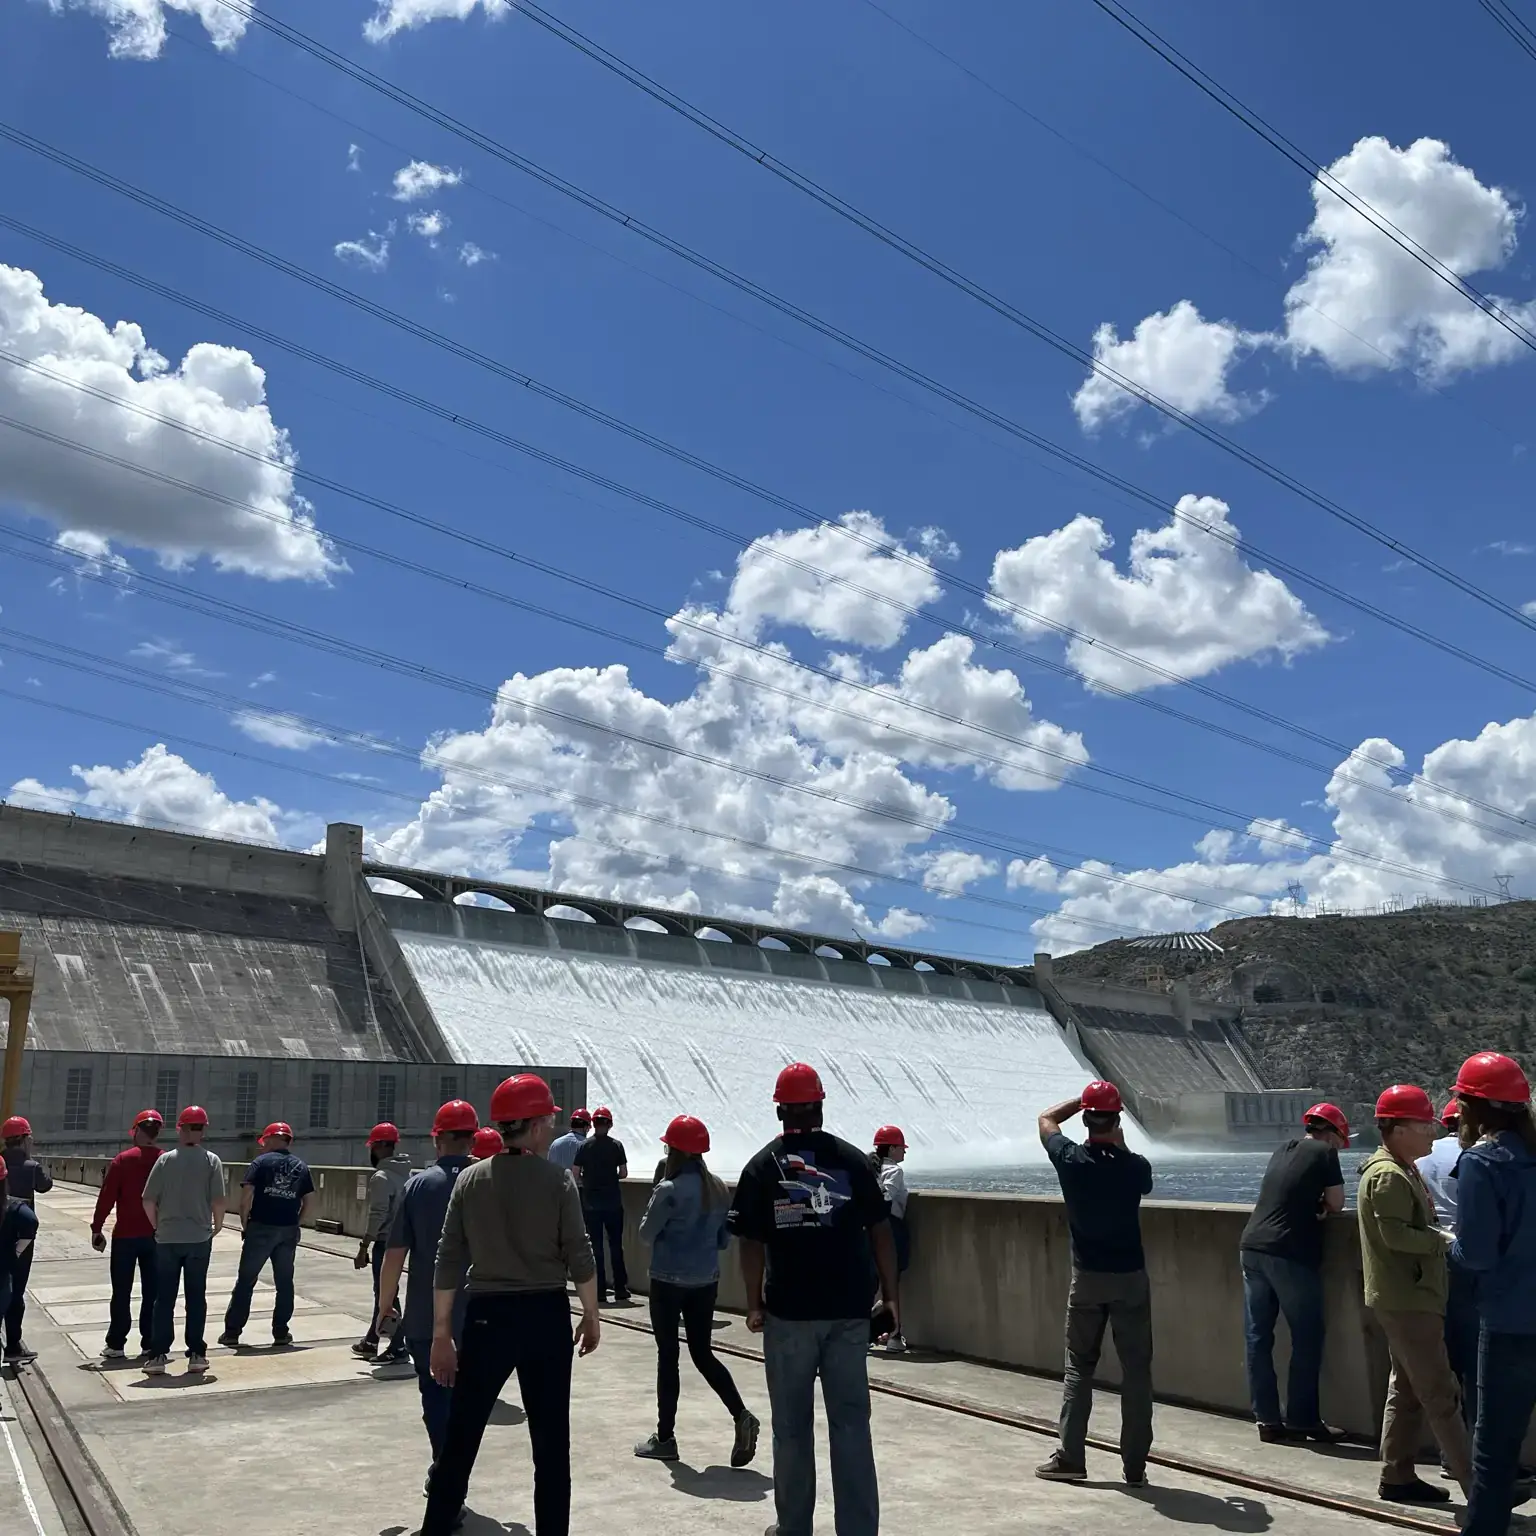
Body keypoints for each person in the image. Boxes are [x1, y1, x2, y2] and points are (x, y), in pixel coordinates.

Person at [421, 1074, 599, 1536]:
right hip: (546, 1316)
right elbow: (579, 1253)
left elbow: (448, 1258)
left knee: (461, 1438)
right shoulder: (558, 1181)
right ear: (538, 1125)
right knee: (550, 1444)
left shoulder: (471, 1181)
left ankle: (437, 1526)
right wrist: (592, 1315)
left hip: (486, 1316)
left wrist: (443, 1333)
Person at [728, 1062, 895, 1536]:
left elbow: (751, 1241)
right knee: (851, 1428)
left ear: (780, 1110)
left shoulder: (761, 1167)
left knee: (792, 1430)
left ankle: (794, 1527)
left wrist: (753, 1304)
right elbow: (880, 1229)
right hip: (848, 1315)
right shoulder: (852, 1160)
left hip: (788, 1316)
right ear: (821, 1105)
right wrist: (891, 1296)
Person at [1035, 1080, 1154, 1486]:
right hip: (1131, 1279)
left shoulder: (1070, 1159)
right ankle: (1135, 1466)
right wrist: (1118, 1144)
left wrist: (1078, 1100)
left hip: (1087, 1278)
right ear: (1117, 1120)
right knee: (1136, 1372)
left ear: (1086, 1119)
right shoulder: (1135, 1167)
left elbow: (1046, 1119)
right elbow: (1142, 1180)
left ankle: (1071, 1457)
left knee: (1078, 1369)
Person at [1358, 1084, 1470, 1504]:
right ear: (1398, 1128)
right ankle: (1478, 1489)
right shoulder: (1388, 1175)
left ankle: (1397, 1476)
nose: (1431, 1132)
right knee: (1441, 1394)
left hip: (1404, 1295)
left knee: (1405, 1390)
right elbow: (1396, 1235)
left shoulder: (1400, 1167)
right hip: (1408, 1299)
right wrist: (1443, 1240)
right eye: (1424, 1125)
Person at [634, 1114, 758, 1468]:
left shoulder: (668, 1189)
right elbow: (722, 1240)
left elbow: (645, 1234)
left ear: (674, 1151)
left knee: (668, 1356)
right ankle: (741, 1414)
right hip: (705, 1282)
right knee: (702, 1354)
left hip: (667, 1281)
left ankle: (666, 1438)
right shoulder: (718, 1188)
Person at [1450, 1051, 1536, 1536]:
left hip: (1509, 1325)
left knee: (1496, 1449)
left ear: (1473, 1108)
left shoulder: (1483, 1162)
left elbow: (1477, 1254)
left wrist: (1451, 1249)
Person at [376, 1099, 478, 1504]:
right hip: (481, 1315)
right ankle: (453, 1474)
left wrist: (385, 1305)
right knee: (468, 1402)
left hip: (424, 1314)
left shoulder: (417, 1185)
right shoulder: (486, 1181)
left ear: (438, 1140)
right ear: (472, 1138)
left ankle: (445, 1471)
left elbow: (394, 1254)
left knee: (436, 1397)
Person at [1238, 1102, 1349, 1443]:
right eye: (1339, 1141)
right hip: (1288, 1252)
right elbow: (1337, 1202)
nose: (1337, 1148)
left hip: (1252, 1246)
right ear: (1331, 1133)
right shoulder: (1324, 1153)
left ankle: (1267, 1419)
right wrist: (1319, 1206)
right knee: (1307, 1335)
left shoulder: (1281, 1150)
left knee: (1258, 1337)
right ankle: (1302, 1419)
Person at [141, 1105, 226, 1377]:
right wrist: (217, 1225)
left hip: (167, 1238)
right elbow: (218, 1200)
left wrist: (157, 1226)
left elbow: (148, 1199)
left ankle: (157, 1355)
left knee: (164, 1298)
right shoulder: (212, 1160)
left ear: (180, 1128)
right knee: (195, 1297)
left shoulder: (165, 1160)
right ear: (203, 1130)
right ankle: (197, 1354)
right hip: (198, 1239)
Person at [1420, 1098, 1480, 1473]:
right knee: (1477, 1363)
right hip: (1469, 1262)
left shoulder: (1423, 1156)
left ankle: (1450, 1454)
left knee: (1447, 1362)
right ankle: (1473, 1457)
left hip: (1431, 1262)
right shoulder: (1473, 1153)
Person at [218, 1122, 315, 1348]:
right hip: (288, 1230)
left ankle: (232, 1332)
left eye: (264, 1142)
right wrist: (296, 1223)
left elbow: (246, 1197)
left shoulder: (260, 1163)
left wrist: (245, 1224)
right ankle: (281, 1332)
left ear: (271, 1139)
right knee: (284, 1282)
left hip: (261, 1227)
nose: (262, 1146)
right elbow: (310, 1202)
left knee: (246, 1281)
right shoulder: (301, 1166)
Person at [90, 1108, 165, 1361]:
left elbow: (107, 1197)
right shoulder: (166, 1160)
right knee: (152, 1292)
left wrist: (96, 1228)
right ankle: (150, 1342)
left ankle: (116, 1344)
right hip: (156, 1237)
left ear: (135, 1131)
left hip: (124, 1237)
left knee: (121, 1291)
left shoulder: (122, 1160)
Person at [353, 1121, 412, 1363]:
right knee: (386, 1291)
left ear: (376, 1148)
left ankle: (398, 1346)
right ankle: (371, 1341)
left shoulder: (381, 1177)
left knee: (386, 1294)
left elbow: (377, 1213)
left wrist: (364, 1246)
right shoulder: (406, 1174)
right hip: (401, 1240)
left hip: (384, 1242)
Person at [2, 1113, 52, 1364]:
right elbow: (45, 1186)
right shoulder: (31, 1167)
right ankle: (13, 1345)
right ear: (24, 1139)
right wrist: (31, 1159)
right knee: (16, 1289)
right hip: (23, 1235)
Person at [573, 1107, 630, 1303]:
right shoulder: (616, 1146)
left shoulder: (584, 1146)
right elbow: (623, 1173)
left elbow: (574, 1174)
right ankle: (621, 1288)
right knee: (616, 1246)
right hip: (613, 1203)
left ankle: (600, 1292)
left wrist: (588, 1179)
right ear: (610, 1124)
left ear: (593, 1124)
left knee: (596, 1248)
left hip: (590, 1204)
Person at [869, 1125, 910, 1354]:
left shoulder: (870, 1168)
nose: (904, 1152)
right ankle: (894, 1336)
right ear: (892, 1148)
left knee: (874, 1282)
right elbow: (886, 1197)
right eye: (902, 1148)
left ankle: (868, 1329)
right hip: (891, 1230)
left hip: (869, 1229)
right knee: (891, 1284)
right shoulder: (894, 1172)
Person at [0, 1196, 38, 1332]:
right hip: (5, 1272)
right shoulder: (14, 1208)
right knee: (14, 1298)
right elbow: (29, 1220)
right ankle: (13, 1342)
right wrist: (16, 1252)